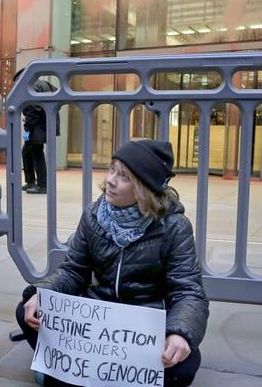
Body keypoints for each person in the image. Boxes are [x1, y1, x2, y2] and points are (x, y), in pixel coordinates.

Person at [15, 140, 209, 387]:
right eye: (112, 169)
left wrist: (179, 333)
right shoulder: (93, 215)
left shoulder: (174, 227)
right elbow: (73, 271)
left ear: (143, 188)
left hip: (144, 329)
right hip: (98, 322)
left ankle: (70, 373)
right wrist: (43, 293)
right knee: (28, 311)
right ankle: (71, 367)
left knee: (185, 364)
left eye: (124, 176)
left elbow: (189, 292)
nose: (111, 180)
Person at [13, 68, 57, 194]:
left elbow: (32, 111)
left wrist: (27, 130)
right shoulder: (45, 84)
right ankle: (31, 181)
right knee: (27, 151)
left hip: (37, 126)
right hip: (47, 124)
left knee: (37, 153)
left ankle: (42, 185)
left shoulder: (29, 87)